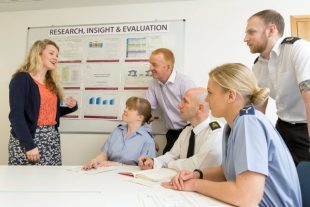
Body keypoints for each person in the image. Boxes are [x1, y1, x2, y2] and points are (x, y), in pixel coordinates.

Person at [163, 63, 302, 207]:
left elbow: (246, 197)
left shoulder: (249, 123)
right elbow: (226, 172)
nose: (206, 99)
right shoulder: (232, 126)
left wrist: (195, 185)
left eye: (210, 93)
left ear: (230, 95)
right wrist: (197, 174)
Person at [244, 9, 310, 165]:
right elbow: (258, 112)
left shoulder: (298, 49)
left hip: (305, 129)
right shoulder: (257, 67)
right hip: (282, 128)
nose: (245, 39)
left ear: (271, 30)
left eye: (251, 32)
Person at [8, 39, 78, 166]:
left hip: (51, 138)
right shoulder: (22, 79)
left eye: (57, 55)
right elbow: (16, 116)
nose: (55, 58)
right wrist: (29, 145)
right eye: (51, 53)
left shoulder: (50, 83)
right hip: (30, 138)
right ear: (38, 53)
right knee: (26, 182)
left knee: (51, 182)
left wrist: (72, 106)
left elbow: (49, 113)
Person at [138, 87, 223, 171]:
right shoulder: (188, 130)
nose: (179, 105)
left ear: (200, 108)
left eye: (185, 101)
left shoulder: (215, 132)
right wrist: (153, 162)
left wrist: (170, 164)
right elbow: (171, 156)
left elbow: (196, 165)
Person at [82, 97, 156, 170]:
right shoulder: (117, 131)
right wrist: (95, 160)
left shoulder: (148, 140)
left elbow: (146, 168)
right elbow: (105, 154)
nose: (125, 109)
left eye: (130, 109)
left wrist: (118, 165)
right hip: (107, 174)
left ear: (140, 117)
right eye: (126, 107)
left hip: (130, 179)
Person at [146, 48, 195, 154]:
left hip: (190, 132)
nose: (150, 68)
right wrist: (148, 137)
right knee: (165, 166)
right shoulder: (154, 84)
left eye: (154, 65)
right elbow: (147, 111)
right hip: (172, 134)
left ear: (168, 67)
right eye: (150, 64)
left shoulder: (185, 82)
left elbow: (195, 110)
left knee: (186, 168)